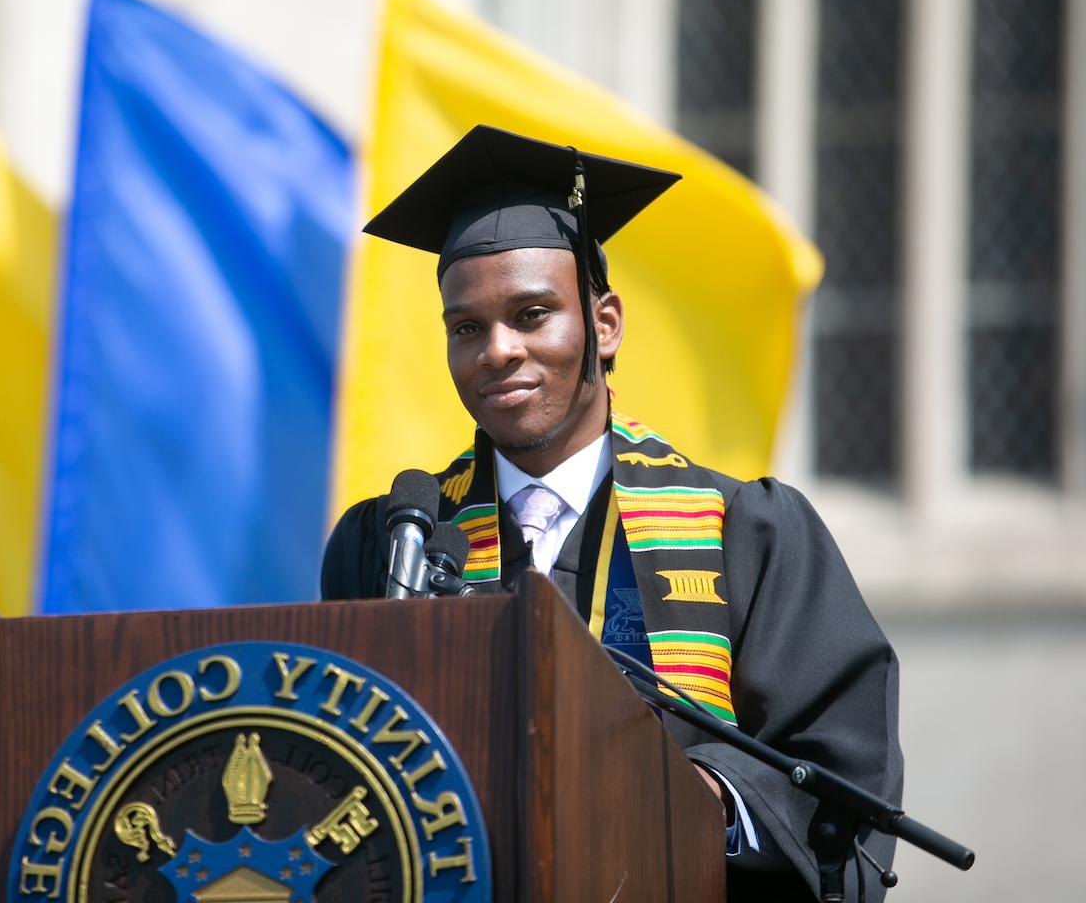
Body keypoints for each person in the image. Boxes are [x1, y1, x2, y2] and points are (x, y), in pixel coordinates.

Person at [320, 125, 903, 901]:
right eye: (467, 328)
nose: (497, 350)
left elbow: (839, 769)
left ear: (604, 325)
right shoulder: (393, 542)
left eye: (531, 315)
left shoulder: (746, 533)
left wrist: (697, 800)